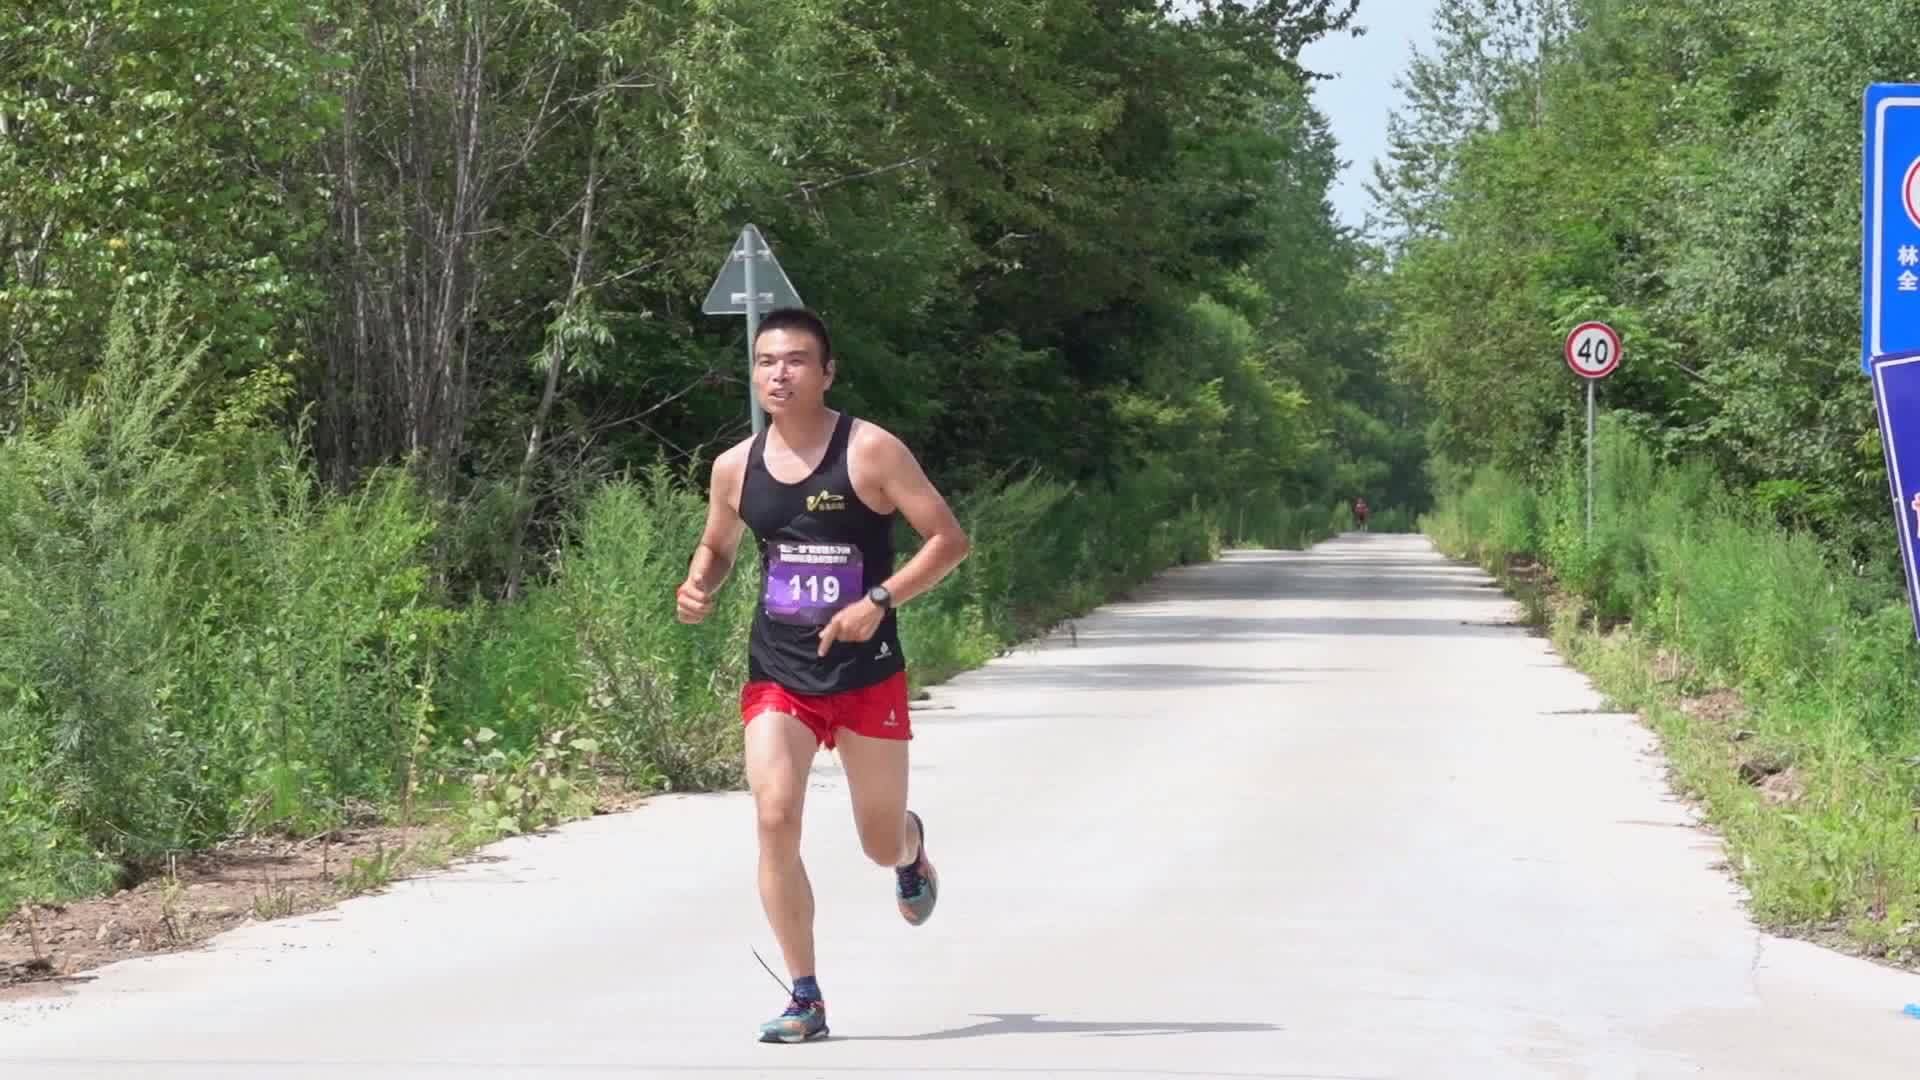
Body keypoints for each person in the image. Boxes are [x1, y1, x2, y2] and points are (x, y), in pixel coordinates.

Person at [675, 307, 971, 1043]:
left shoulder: (870, 451)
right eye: (767, 360)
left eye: (797, 360)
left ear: (827, 372)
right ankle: (805, 995)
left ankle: (910, 852)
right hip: (780, 672)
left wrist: (879, 600)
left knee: (877, 841)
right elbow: (718, 547)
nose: (780, 373)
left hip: (866, 673)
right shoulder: (734, 466)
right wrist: (698, 584)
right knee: (775, 816)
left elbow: (948, 540)